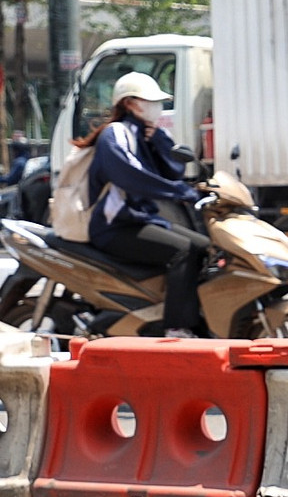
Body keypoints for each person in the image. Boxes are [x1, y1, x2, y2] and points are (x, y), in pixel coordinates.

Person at [80, 71, 210, 338]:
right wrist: (179, 192)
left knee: (205, 246)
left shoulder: (141, 134)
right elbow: (132, 177)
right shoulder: (115, 135)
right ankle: (176, 327)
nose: (157, 107)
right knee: (184, 251)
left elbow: (173, 169)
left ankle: (196, 319)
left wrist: (157, 140)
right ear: (129, 103)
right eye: (149, 101)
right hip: (114, 226)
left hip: (140, 220)